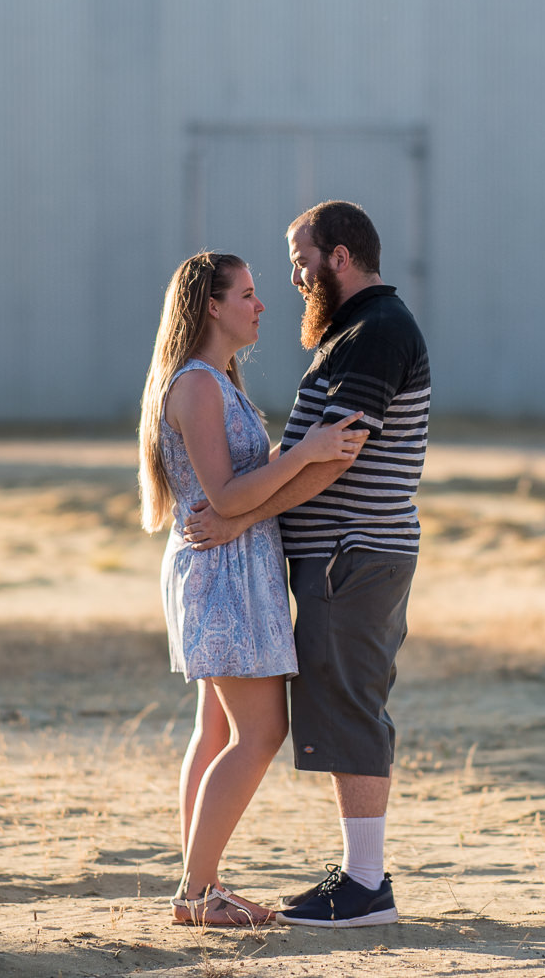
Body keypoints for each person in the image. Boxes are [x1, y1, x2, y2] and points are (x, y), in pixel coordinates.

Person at [185, 200, 430, 928]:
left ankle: (364, 886)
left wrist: (239, 513)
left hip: (353, 555)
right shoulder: (352, 334)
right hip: (338, 559)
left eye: (300, 259)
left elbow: (337, 455)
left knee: (352, 705)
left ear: (341, 257)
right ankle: (354, 878)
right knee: (340, 703)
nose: (294, 276)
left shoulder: (376, 331)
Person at [139, 251, 370, 927]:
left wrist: (295, 452)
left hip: (234, 565)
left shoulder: (216, 380)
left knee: (216, 728)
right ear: (211, 305)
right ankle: (198, 889)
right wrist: (306, 454)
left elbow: (238, 484)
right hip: (224, 573)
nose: (261, 304)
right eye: (246, 293)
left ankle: (196, 885)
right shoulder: (198, 385)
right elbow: (226, 493)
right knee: (262, 729)